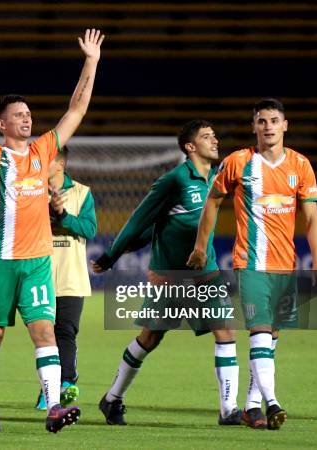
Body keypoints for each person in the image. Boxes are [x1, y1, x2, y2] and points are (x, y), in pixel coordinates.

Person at [0, 28, 104, 433]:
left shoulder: (43, 152)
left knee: (44, 331)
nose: (27, 118)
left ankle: (54, 406)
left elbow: (76, 111)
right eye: (18, 115)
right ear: (1, 123)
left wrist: (91, 61)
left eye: (28, 113)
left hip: (37, 261)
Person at [187, 99, 317, 430]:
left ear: (285, 125)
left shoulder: (301, 166)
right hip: (250, 263)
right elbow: (213, 201)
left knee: (270, 338)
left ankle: (251, 406)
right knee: (260, 330)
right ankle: (273, 401)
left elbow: (311, 217)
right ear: (254, 127)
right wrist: (200, 246)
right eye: (261, 121)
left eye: (274, 121)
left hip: (285, 266)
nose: (268, 127)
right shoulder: (238, 162)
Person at [92, 120, 241, 426]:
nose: (214, 140)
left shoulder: (216, 178)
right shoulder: (174, 180)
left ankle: (229, 410)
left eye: (214, 135)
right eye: (206, 137)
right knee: (150, 338)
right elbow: (139, 221)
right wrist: (110, 256)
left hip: (206, 274)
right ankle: (112, 398)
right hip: (170, 278)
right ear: (190, 147)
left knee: (226, 332)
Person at [34, 146, 96, 410]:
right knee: (44, 335)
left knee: (66, 331)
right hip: (40, 275)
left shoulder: (82, 193)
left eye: (44, 160)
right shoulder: (33, 191)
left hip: (71, 277)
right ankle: (49, 389)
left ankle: (67, 382)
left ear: (59, 164)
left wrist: (62, 216)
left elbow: (90, 228)